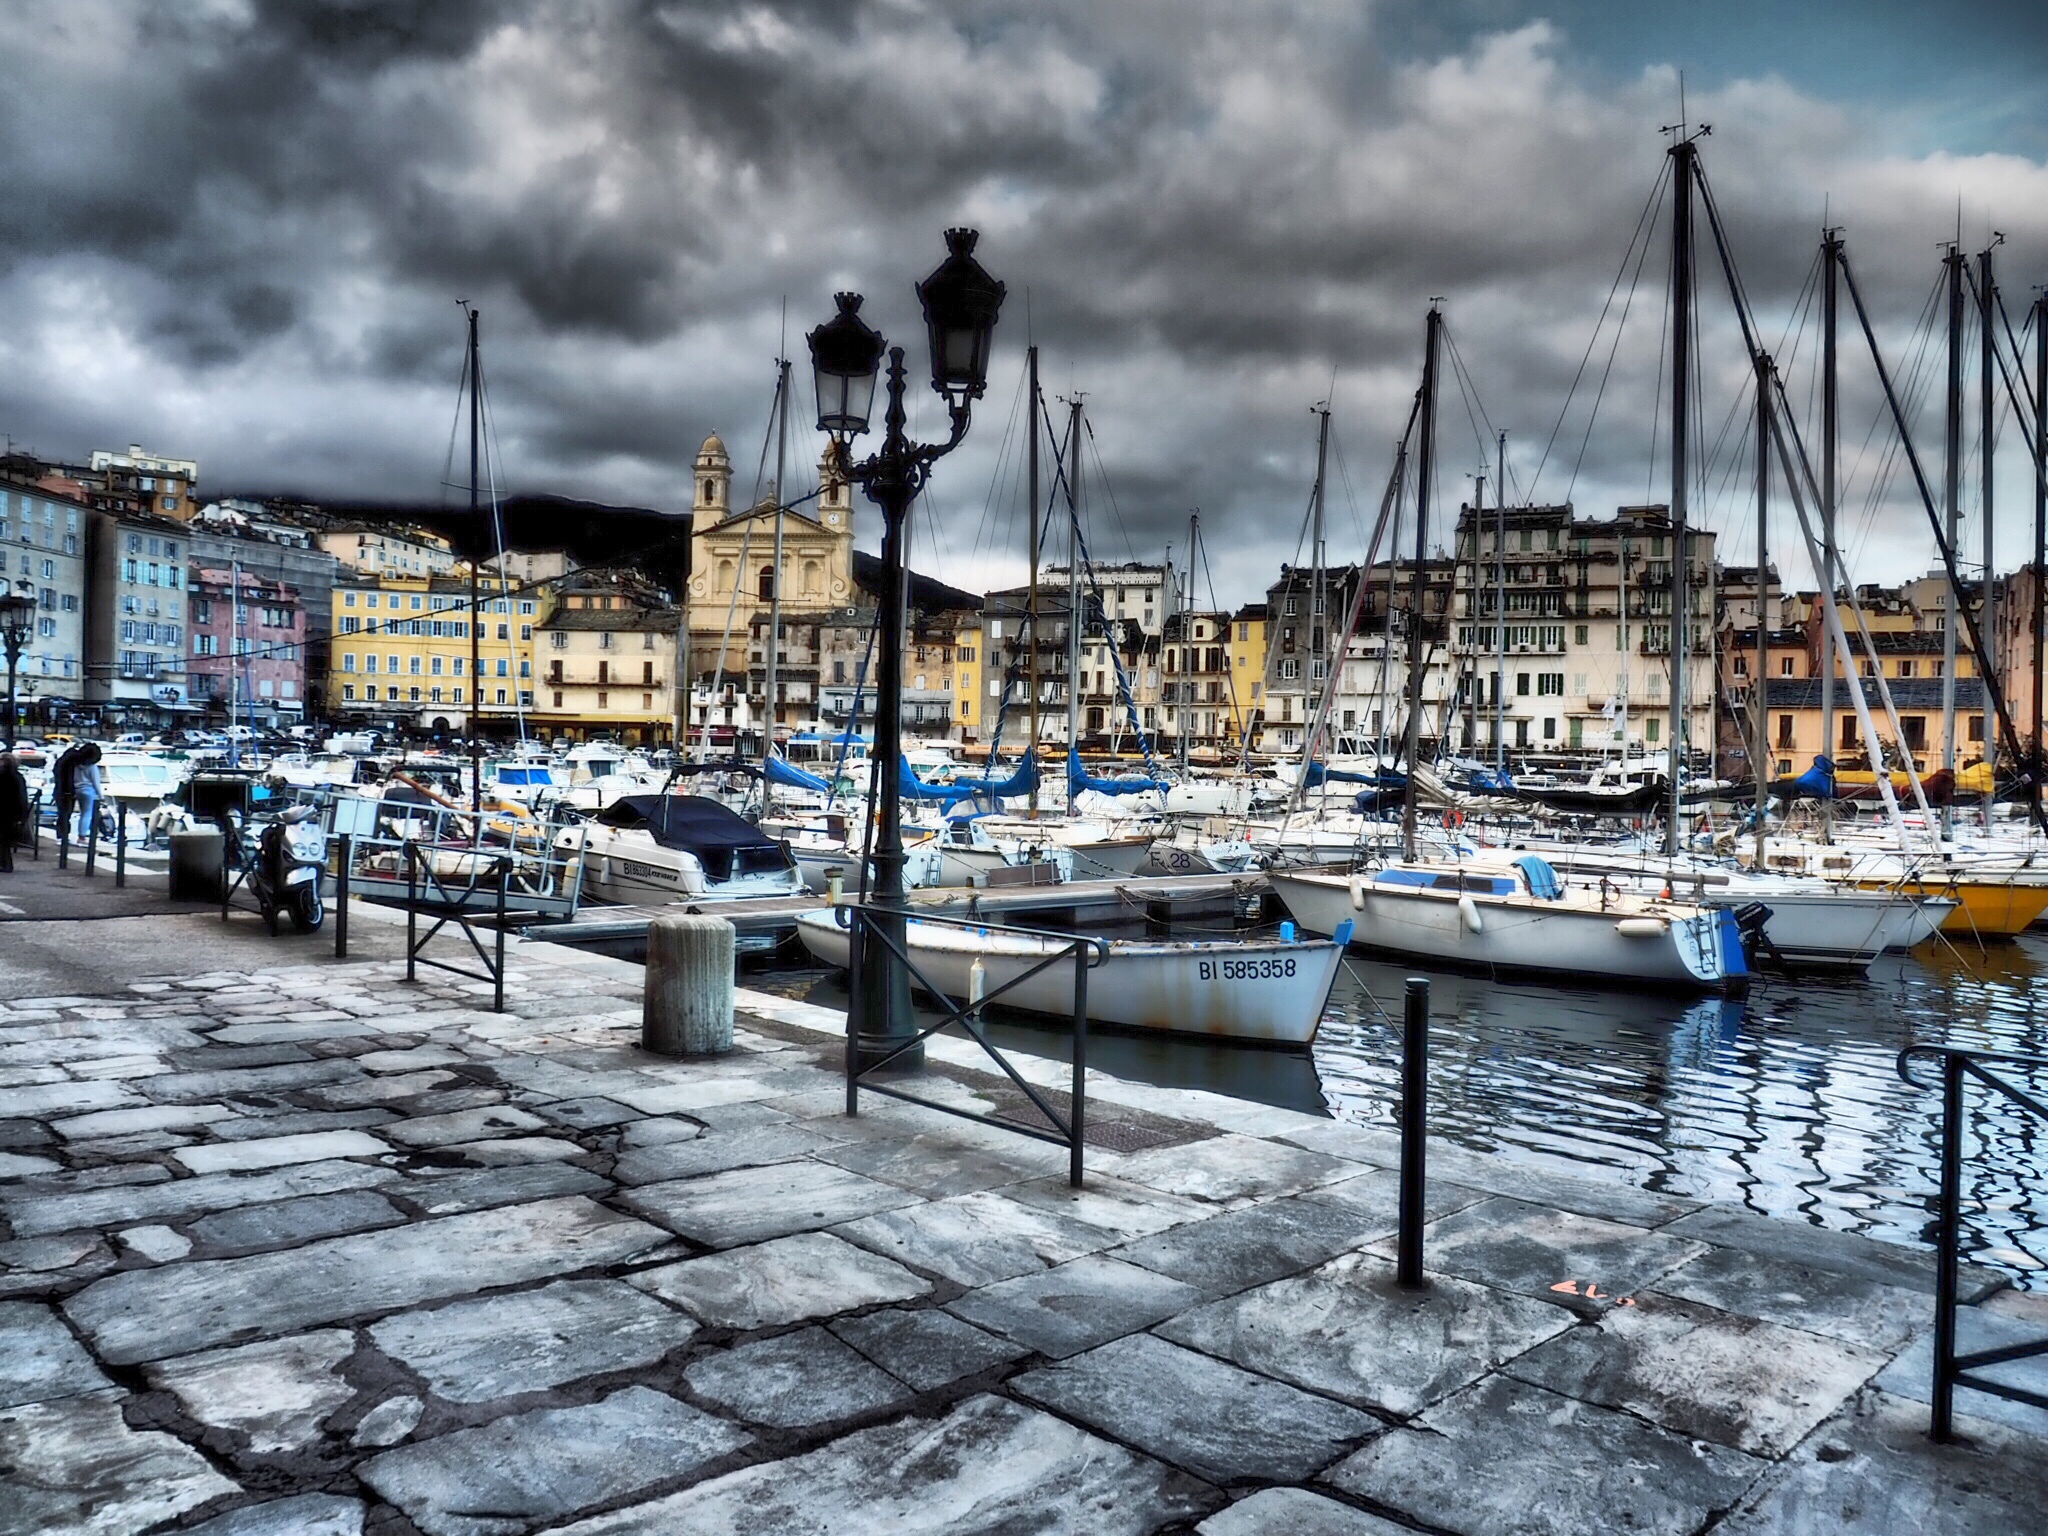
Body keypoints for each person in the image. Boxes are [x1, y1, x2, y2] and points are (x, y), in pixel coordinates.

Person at [0, 750, 26, 872]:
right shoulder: (18, 777)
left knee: (3, 840)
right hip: (13, 813)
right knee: (4, 841)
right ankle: (5, 864)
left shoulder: (4, 776)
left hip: (5, 812)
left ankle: (5, 864)